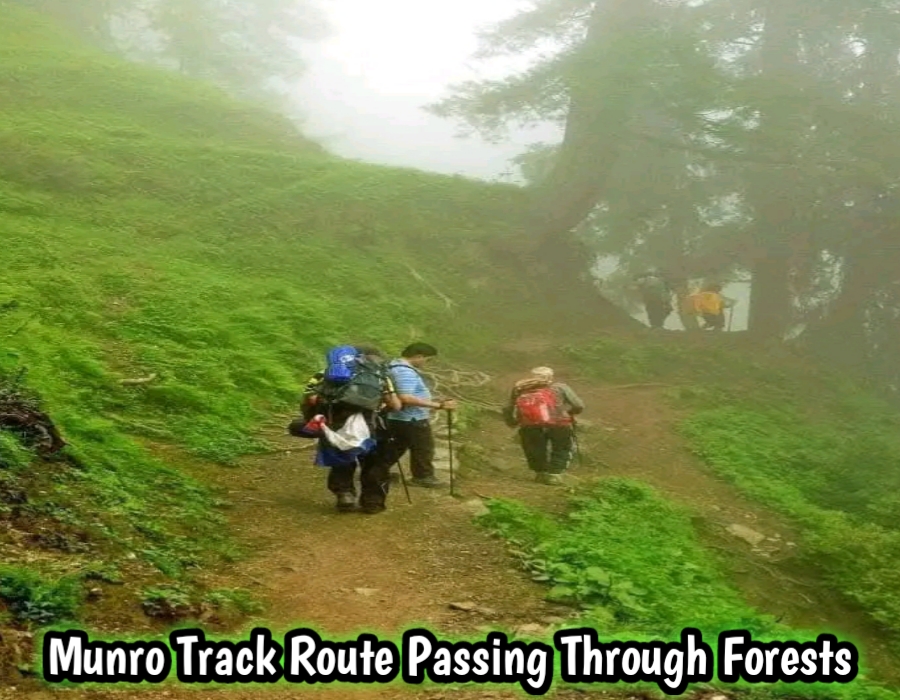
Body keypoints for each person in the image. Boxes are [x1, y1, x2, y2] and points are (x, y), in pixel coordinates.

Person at [295, 345, 401, 514]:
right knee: (375, 464)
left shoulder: (324, 373)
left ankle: (345, 495)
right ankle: (372, 502)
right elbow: (395, 405)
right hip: (371, 427)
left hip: (334, 425)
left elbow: (309, 398)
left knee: (341, 459)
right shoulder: (380, 375)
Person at [382, 342, 457, 488]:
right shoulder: (405, 372)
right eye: (428, 360)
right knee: (423, 447)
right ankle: (423, 476)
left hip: (398, 417)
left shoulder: (393, 365)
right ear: (418, 356)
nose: (427, 363)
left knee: (396, 446)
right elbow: (406, 397)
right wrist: (438, 405)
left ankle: (377, 471)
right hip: (411, 417)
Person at [504, 367, 584, 485]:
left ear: (532, 376)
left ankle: (540, 474)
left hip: (529, 425)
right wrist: (570, 413)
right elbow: (579, 405)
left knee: (534, 449)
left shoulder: (520, 388)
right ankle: (554, 475)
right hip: (559, 423)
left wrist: (512, 422)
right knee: (561, 448)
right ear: (550, 377)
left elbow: (508, 407)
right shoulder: (560, 387)